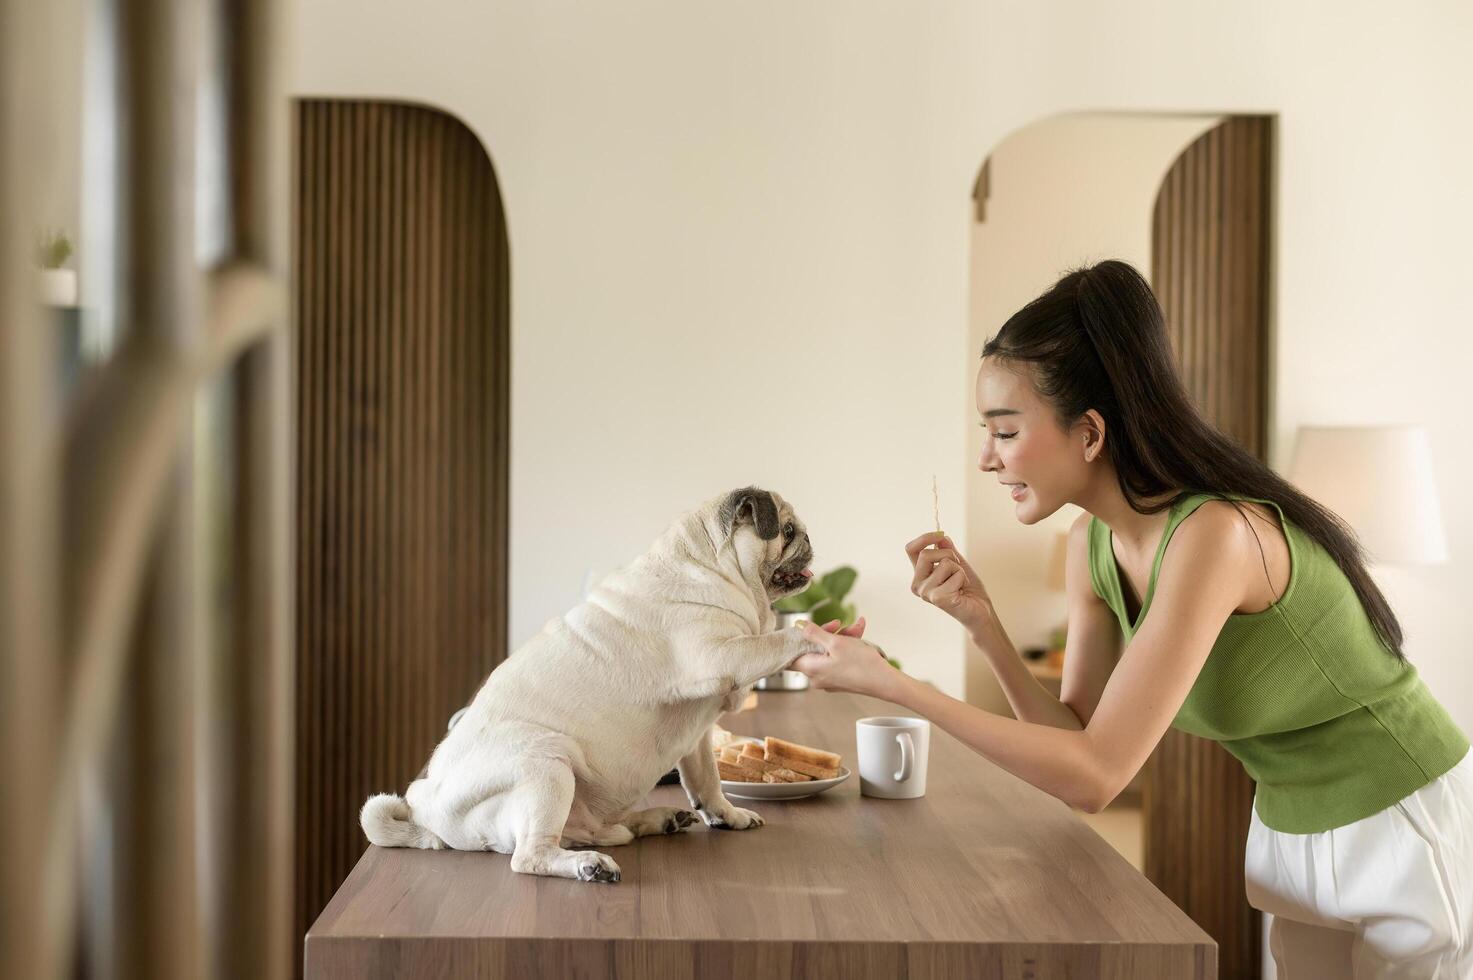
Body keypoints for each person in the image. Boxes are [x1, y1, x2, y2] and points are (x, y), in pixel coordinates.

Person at [791, 260, 1472, 979]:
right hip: (1288, 827)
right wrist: (983, 627)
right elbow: (1074, 744)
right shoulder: (1093, 546)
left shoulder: (1213, 536)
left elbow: (1095, 777)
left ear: (1088, 433)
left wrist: (892, 685)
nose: (987, 459)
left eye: (1004, 431)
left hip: (1399, 815)